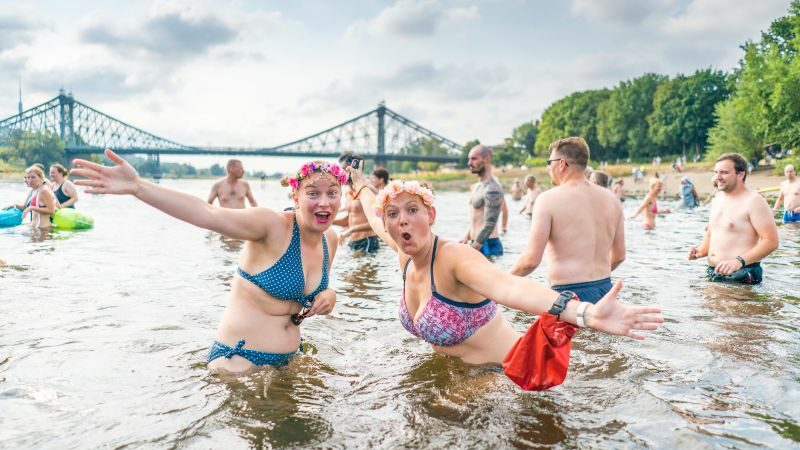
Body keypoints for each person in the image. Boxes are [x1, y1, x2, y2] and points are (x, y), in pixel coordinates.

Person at [345, 165, 662, 366]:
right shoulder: (404, 255)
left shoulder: (454, 257)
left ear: (430, 216)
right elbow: (373, 217)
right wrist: (358, 184)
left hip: (508, 375)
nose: (402, 220)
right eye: (394, 214)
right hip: (463, 373)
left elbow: (509, 287)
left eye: (412, 210)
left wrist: (584, 313)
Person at [72, 150, 341, 373]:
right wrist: (138, 187)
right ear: (295, 197)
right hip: (240, 364)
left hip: (290, 362)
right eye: (313, 193)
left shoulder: (331, 240)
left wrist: (329, 295)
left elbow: (306, 295)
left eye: (332, 193)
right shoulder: (271, 225)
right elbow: (207, 212)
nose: (324, 202)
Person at [509, 137, 625, 304]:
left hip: (568, 296)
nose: (548, 168)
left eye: (550, 162)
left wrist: (500, 282)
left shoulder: (548, 199)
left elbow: (530, 261)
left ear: (561, 163)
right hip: (605, 291)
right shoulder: (612, 200)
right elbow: (620, 256)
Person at [688, 153, 779, 285]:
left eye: (724, 172)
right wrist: (700, 251)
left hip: (742, 272)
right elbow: (711, 234)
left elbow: (771, 241)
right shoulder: (717, 198)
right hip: (713, 271)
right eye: (716, 172)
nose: (717, 177)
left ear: (740, 174)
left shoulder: (754, 201)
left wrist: (739, 261)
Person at [460, 145, 504, 257]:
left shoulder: (493, 189)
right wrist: (466, 237)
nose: (469, 163)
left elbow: (489, 225)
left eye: (474, 159)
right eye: (469, 159)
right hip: (476, 244)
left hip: (488, 245)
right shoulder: (477, 186)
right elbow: (476, 219)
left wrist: (471, 251)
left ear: (487, 159)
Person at [336, 153, 382, 254]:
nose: (341, 174)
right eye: (341, 170)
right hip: (352, 241)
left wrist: (351, 230)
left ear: (356, 168)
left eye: (345, 170)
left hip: (367, 241)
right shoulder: (349, 192)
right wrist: (328, 222)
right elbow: (350, 219)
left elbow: (379, 220)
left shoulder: (368, 190)